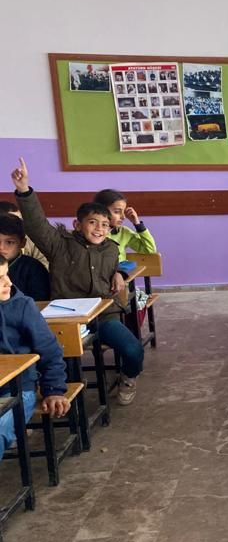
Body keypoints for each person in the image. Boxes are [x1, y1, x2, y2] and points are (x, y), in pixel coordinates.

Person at [12, 158, 145, 406]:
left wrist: (120, 272)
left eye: (105, 225)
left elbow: (125, 263)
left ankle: (128, 377)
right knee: (55, 357)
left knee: (133, 350)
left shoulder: (111, 248)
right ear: (77, 224)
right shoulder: (59, 245)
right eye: (92, 223)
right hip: (67, 318)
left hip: (103, 316)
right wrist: (24, 190)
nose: (99, 229)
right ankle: (63, 390)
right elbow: (37, 225)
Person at [0, 255, 69, 453]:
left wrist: (54, 390)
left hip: (19, 390)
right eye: (0, 278)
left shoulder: (22, 306)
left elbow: (50, 351)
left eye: (7, 274)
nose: (8, 283)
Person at [93, 189, 157, 261]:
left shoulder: (124, 232)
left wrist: (138, 225)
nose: (123, 217)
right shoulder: (90, 233)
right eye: (117, 212)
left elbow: (149, 249)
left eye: (123, 212)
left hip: (119, 268)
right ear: (100, 211)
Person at [0, 214, 48, 301]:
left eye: (9, 242)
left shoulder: (34, 268)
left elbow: (39, 302)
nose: (1, 247)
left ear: (23, 243)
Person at [0, 201, 48, 268]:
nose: (18, 224)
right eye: (11, 221)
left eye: (20, 220)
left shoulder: (34, 240)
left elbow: (44, 265)